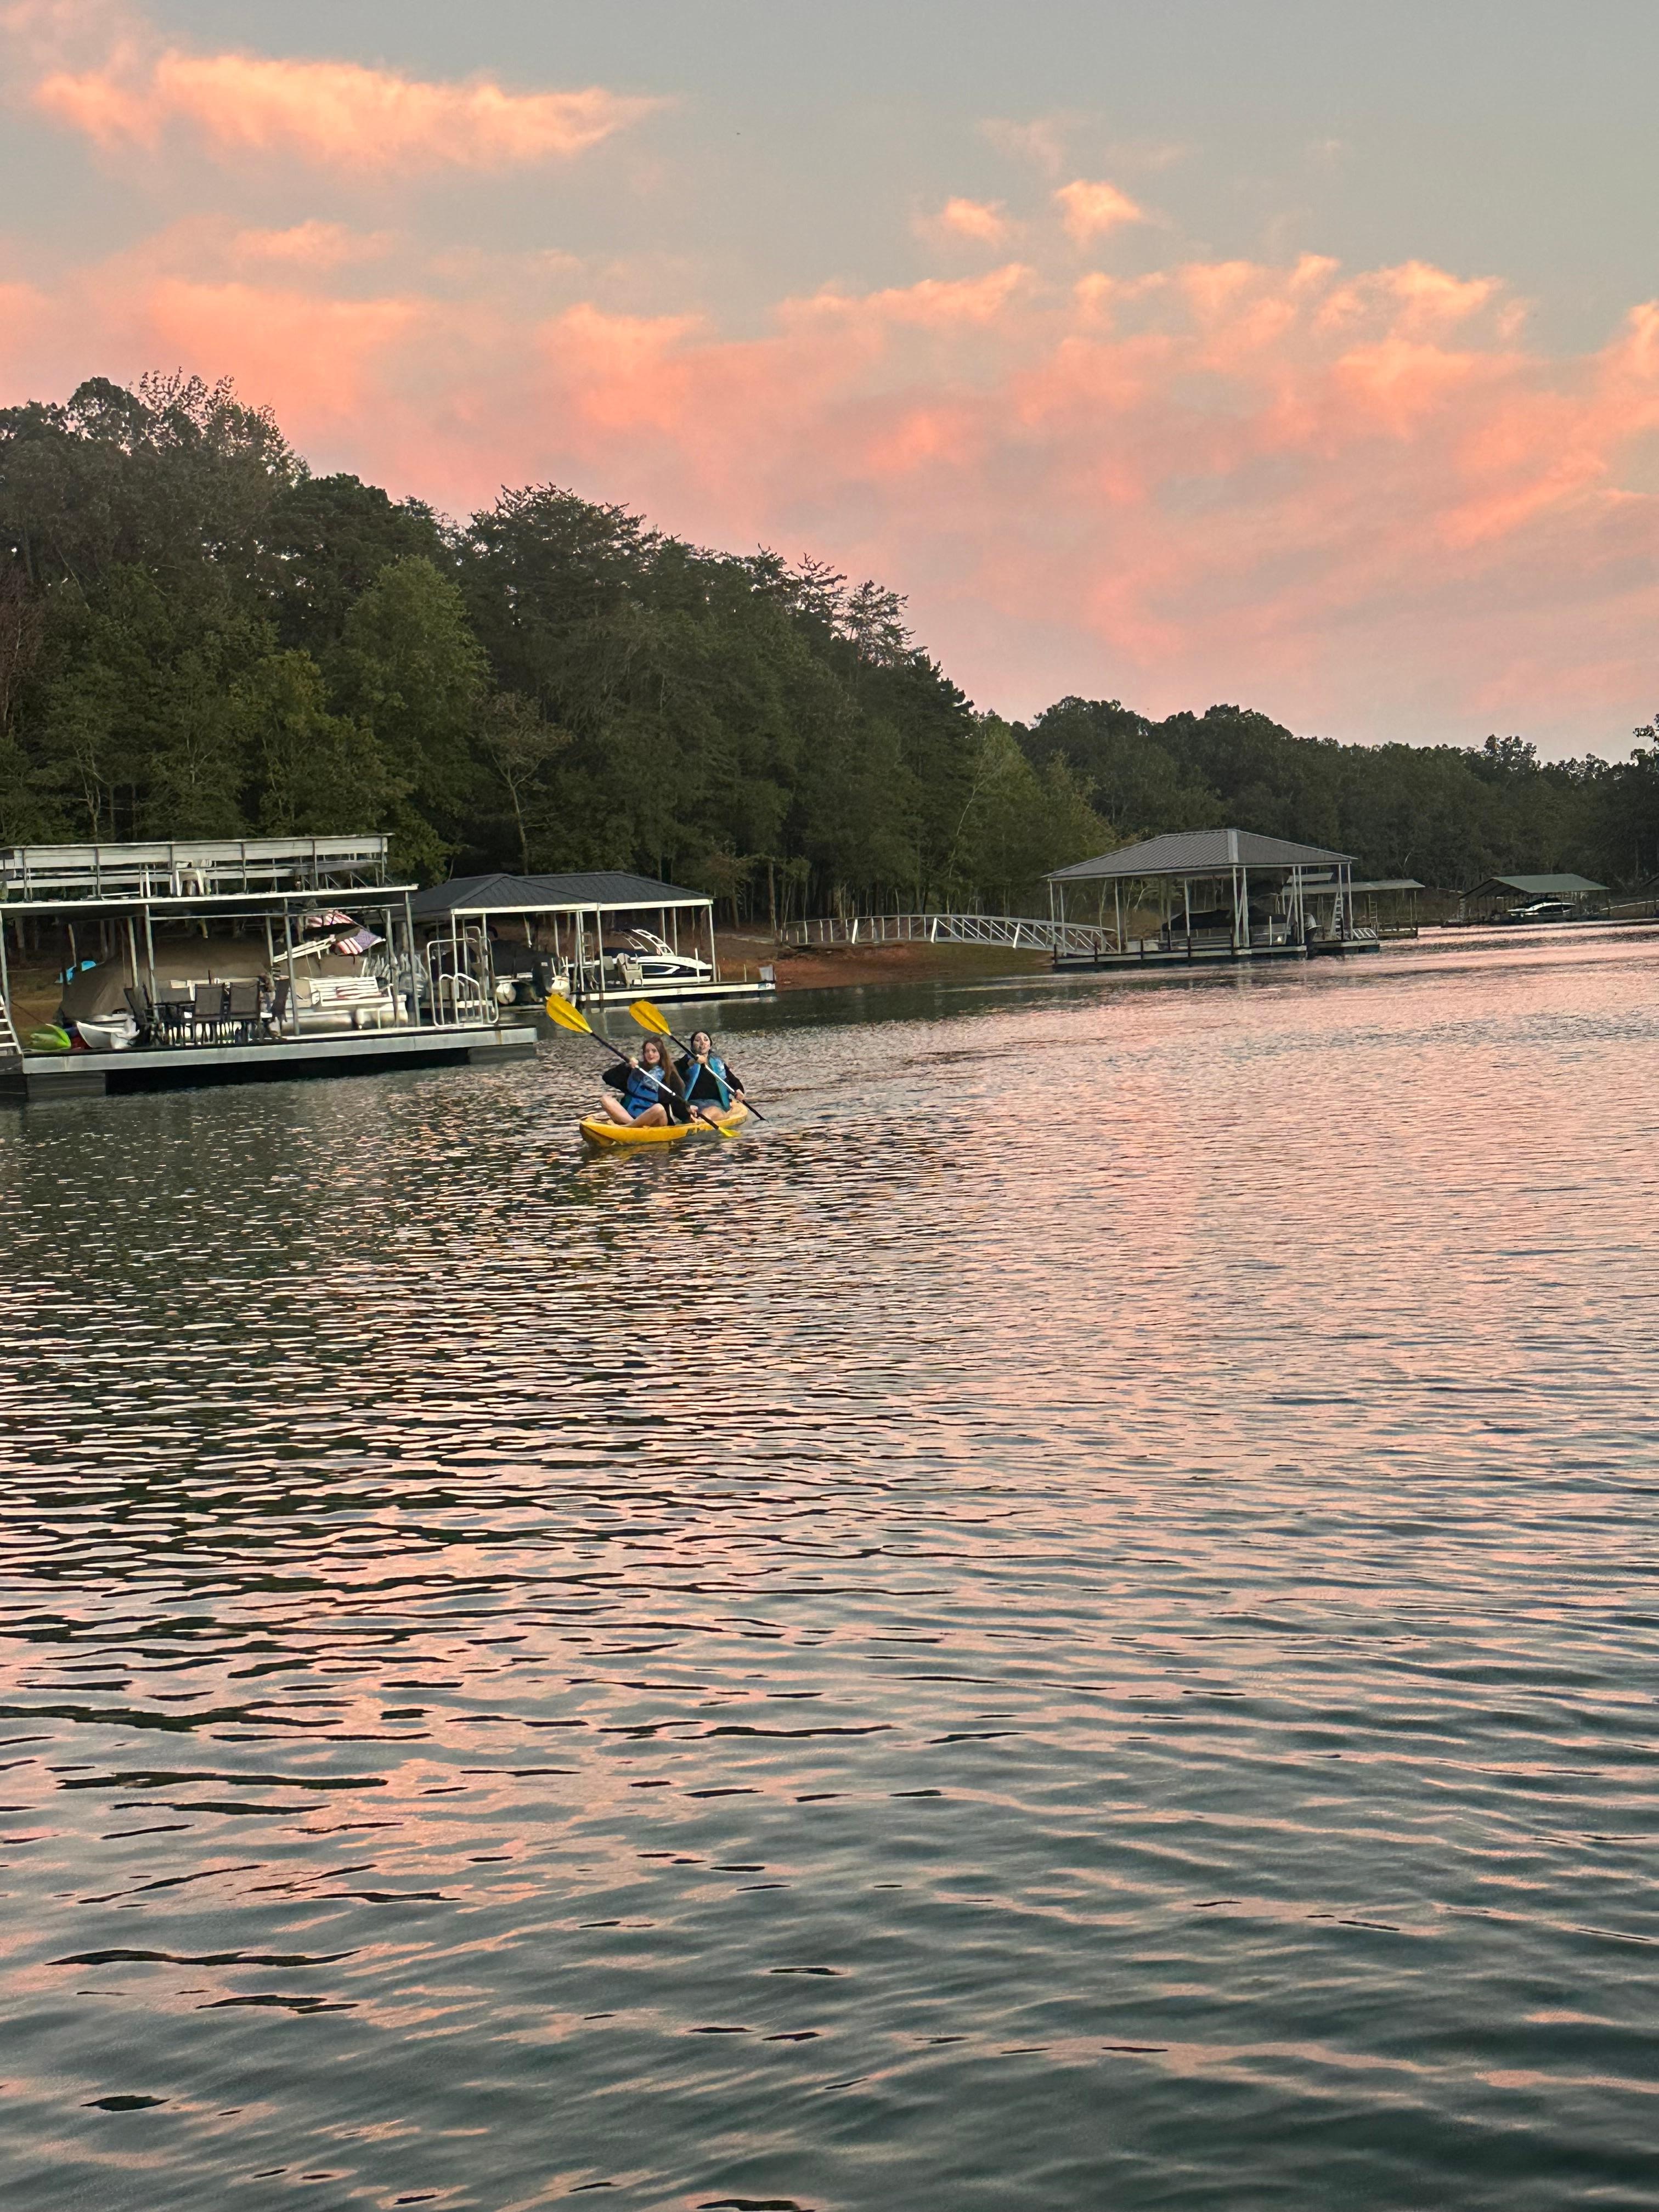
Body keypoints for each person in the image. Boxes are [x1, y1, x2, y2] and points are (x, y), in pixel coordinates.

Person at [596, 1034, 685, 1127]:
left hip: (655, 1120)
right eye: (647, 1051)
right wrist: (627, 1065)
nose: (650, 1054)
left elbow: (678, 1103)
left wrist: (688, 1112)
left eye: (654, 1051)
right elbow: (607, 1077)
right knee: (605, 1100)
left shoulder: (670, 1074)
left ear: (661, 1053)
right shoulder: (636, 1069)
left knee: (659, 1109)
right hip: (629, 1116)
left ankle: (628, 1127)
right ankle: (632, 1126)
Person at [675, 1029, 746, 1121]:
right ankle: (701, 1119)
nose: (702, 1043)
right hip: (693, 1104)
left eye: (706, 1040)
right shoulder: (686, 1061)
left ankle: (703, 1119)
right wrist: (692, 1062)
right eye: (698, 1040)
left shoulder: (718, 1063)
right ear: (692, 1046)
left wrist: (739, 1090)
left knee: (712, 1110)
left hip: (715, 1103)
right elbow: (673, 1071)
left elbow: (732, 1081)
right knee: (705, 1111)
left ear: (710, 1045)